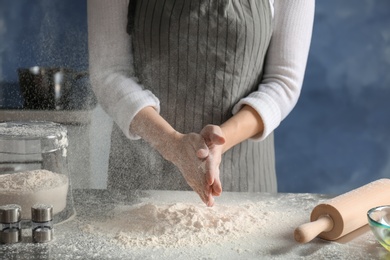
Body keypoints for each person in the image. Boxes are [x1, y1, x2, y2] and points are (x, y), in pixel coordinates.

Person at [87, 0, 314, 206]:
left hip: (242, 177)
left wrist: (221, 143)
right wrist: (170, 143)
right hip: (141, 178)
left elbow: (283, 81)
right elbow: (110, 72)